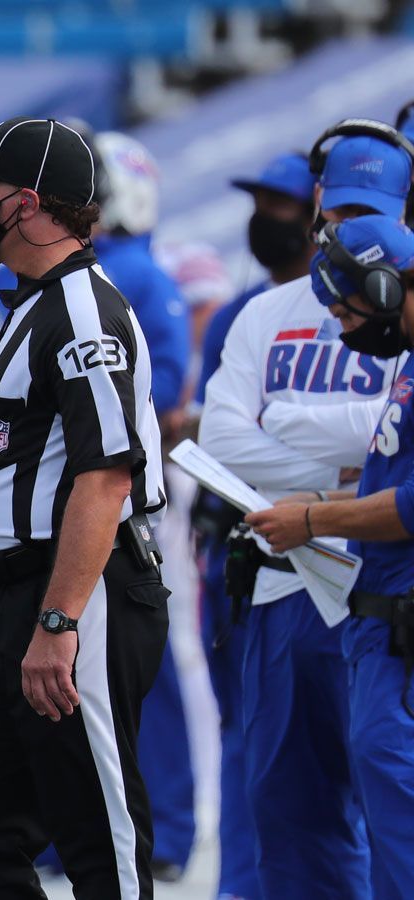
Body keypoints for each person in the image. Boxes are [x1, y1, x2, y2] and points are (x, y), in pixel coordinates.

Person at [0, 117, 169, 899]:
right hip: (17, 593)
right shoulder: (31, 305)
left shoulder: (84, 311)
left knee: (100, 836)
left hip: (81, 595)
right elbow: (13, 475)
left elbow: (105, 478)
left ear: (27, 202)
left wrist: (59, 622)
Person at [199, 120, 414, 899]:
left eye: (369, 215)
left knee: (394, 815)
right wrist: (347, 476)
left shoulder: (400, 324)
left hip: (383, 589)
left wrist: (293, 426)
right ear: (319, 204)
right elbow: (223, 438)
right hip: (286, 584)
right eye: (338, 213)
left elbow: (391, 448)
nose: (345, 231)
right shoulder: (266, 312)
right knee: (286, 804)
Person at [247, 214, 414, 900]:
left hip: (401, 641)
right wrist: (313, 501)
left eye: (348, 311)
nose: (345, 330)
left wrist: (311, 518)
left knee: (399, 810)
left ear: (384, 286)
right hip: (379, 632)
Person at [190, 148, 317, 900]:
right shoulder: (241, 316)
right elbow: (219, 436)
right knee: (244, 728)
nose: (265, 219)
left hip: (334, 552)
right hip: (238, 547)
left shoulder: (355, 318)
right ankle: (241, 884)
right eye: (260, 203)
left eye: (282, 204)